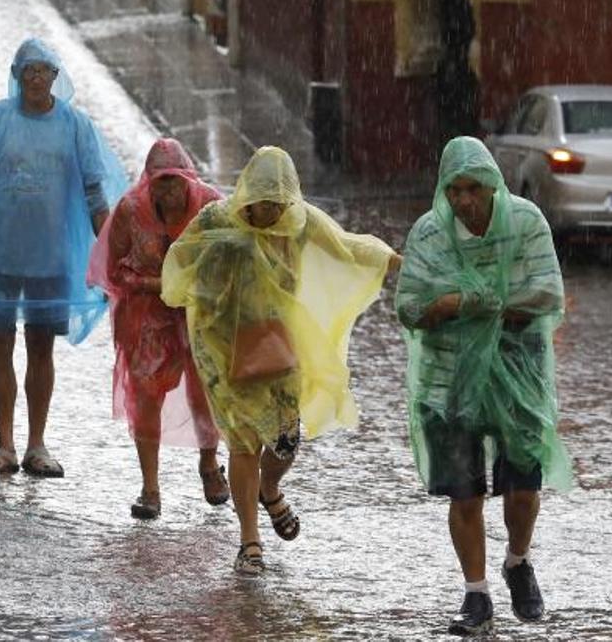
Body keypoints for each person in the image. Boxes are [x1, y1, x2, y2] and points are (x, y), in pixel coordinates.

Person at [160, 146, 400, 575]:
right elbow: (181, 257)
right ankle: (249, 542)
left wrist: (396, 262)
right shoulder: (218, 219)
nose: (266, 212)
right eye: (258, 202)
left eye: (275, 203)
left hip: (279, 347)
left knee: (286, 440)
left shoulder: (301, 221)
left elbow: (347, 247)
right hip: (223, 347)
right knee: (243, 442)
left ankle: (269, 487)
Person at [395, 137, 573, 635]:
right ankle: (476, 595)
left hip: (519, 373)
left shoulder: (528, 223)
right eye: (455, 189)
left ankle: (518, 562)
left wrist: (478, 302)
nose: (464, 200)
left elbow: (546, 293)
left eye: (473, 188)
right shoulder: (429, 235)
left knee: (521, 489)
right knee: (465, 493)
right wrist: (449, 306)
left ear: (493, 185)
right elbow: (409, 306)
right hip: (448, 379)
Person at [0, 38, 128, 477]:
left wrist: (112, 256)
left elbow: (96, 196)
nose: (36, 78)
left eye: (44, 71)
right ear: (17, 76)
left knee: (41, 347)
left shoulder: (76, 126)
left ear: (56, 77)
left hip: (52, 259)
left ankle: (37, 443)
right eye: (28, 71)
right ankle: (4, 443)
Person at [87, 138, 228, 519]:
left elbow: (228, 262)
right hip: (146, 317)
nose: (168, 189)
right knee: (146, 397)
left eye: (175, 180)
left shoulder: (212, 208)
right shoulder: (131, 211)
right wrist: (156, 286)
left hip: (200, 314)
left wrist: (191, 289)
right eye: (160, 181)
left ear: (188, 178)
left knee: (207, 393)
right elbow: (115, 268)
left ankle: (210, 464)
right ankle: (150, 487)